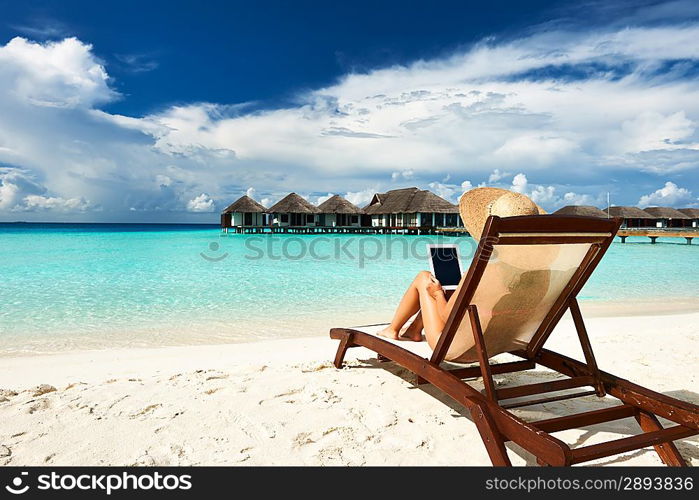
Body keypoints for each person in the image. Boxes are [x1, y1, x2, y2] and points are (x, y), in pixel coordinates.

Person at [378, 187, 546, 347]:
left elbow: (446, 317)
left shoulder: (487, 273)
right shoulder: (541, 276)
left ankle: (392, 329)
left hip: (457, 346)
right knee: (454, 290)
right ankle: (414, 330)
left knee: (424, 278)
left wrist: (437, 293)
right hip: (498, 341)